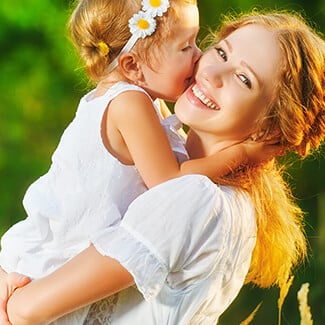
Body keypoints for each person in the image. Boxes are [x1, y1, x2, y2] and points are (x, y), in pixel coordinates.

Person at [2, 9, 325, 325]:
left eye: (244, 79)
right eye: (222, 53)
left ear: (267, 130)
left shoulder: (196, 195)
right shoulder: (210, 184)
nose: (211, 73)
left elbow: (26, 311)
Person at [0, 0, 266, 287]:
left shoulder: (137, 98)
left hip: (59, 258)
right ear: (133, 65)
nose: (199, 55)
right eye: (186, 47)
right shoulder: (130, 103)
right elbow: (170, 183)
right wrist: (243, 153)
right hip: (51, 264)